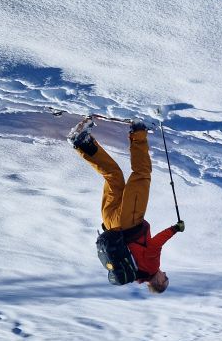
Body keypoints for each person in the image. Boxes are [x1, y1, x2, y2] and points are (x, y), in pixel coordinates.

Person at [70, 118, 184, 293]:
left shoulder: (152, 267)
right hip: (109, 223)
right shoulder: (135, 274)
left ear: (158, 282)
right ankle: (82, 142)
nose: (165, 274)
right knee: (113, 175)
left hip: (129, 221)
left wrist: (175, 229)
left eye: (165, 279)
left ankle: (139, 129)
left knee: (142, 174)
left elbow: (156, 245)